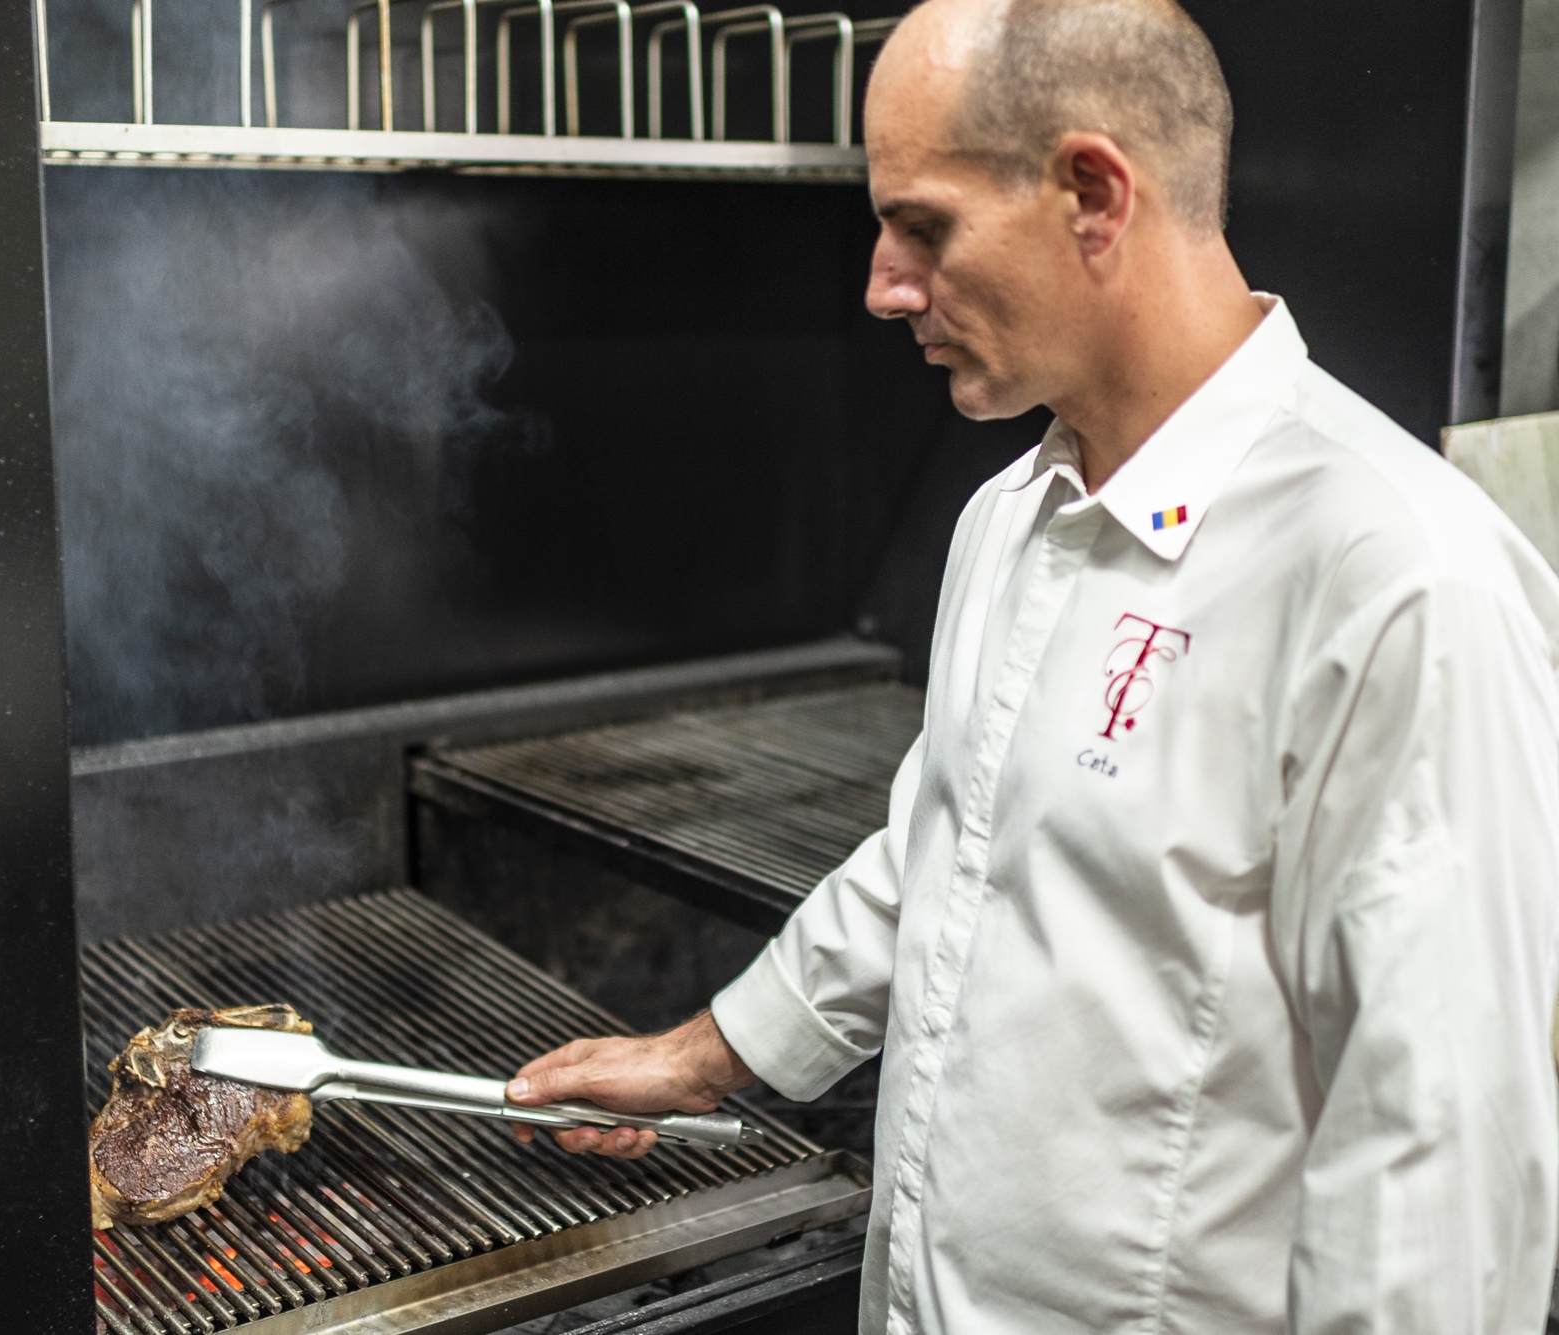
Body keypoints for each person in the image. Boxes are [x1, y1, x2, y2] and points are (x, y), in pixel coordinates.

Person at [503, 0, 1559, 1329]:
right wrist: (709, 1057)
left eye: (923, 227)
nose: (884, 284)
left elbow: (1435, 1175)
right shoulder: (1010, 519)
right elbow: (947, 849)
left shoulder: (1398, 574)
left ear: (1093, 194)